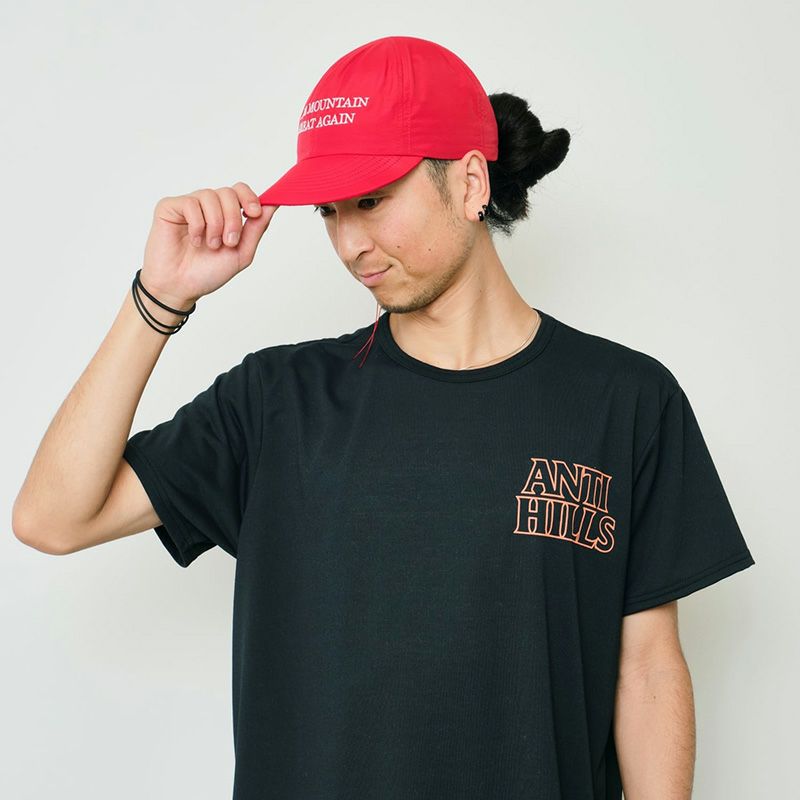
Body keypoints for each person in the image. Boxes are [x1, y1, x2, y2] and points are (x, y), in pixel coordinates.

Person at [13, 34, 755, 800]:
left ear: (469, 182)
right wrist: (160, 298)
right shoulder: (277, 401)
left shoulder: (624, 399)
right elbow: (52, 519)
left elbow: (647, 665)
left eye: (371, 200)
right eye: (330, 211)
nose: (350, 243)